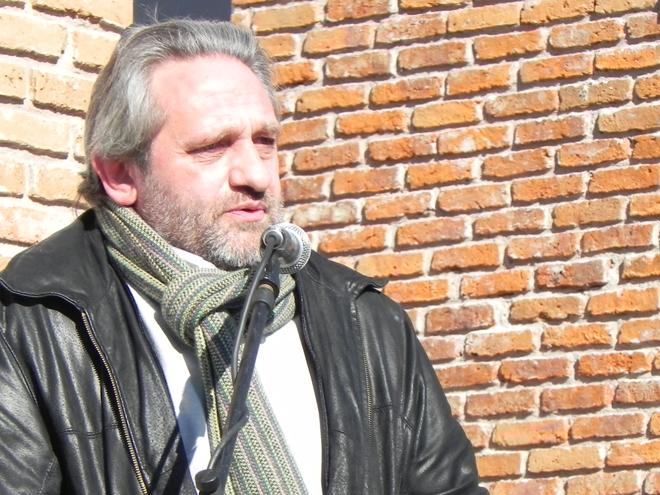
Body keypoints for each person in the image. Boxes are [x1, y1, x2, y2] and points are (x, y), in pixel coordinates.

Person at [0, 19, 486, 494]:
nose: (255, 175)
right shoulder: (31, 325)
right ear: (120, 174)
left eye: (265, 142)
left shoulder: (363, 320)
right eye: (213, 147)